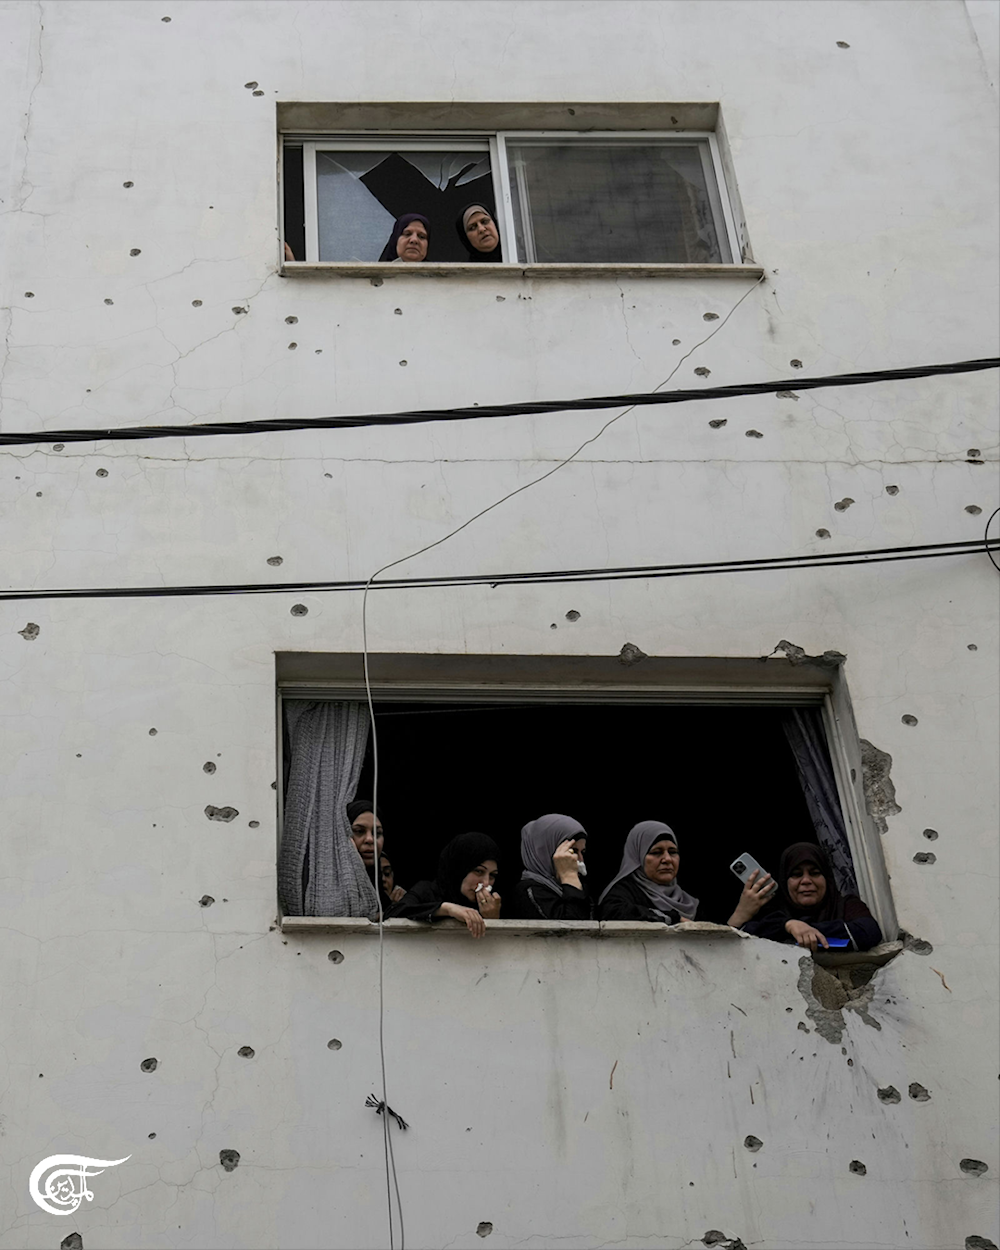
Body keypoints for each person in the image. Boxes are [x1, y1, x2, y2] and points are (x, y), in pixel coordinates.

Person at [736, 841, 883, 952]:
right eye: (796, 874)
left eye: (814, 873)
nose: (806, 880)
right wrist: (787, 925)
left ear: (828, 878)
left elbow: (869, 932)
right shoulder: (771, 912)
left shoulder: (846, 905)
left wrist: (802, 928)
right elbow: (742, 940)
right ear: (784, 882)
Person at [387, 832, 501, 938]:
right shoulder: (427, 891)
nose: (486, 883)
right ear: (459, 869)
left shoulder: (494, 905)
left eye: (492, 875)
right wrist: (446, 908)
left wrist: (492, 919)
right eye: (479, 871)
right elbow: (393, 914)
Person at [598, 822, 700, 923]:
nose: (667, 859)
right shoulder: (624, 893)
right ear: (637, 858)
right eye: (656, 852)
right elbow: (612, 913)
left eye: (672, 852)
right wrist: (671, 918)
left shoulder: (688, 902)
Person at [510, 814, 592, 920]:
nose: (580, 860)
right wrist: (568, 876)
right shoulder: (529, 891)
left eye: (582, 852)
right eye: (573, 851)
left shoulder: (575, 885)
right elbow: (572, 931)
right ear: (546, 850)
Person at [346, 799, 403, 911]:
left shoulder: (382, 895)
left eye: (377, 833)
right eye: (359, 831)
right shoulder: (327, 891)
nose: (370, 839)